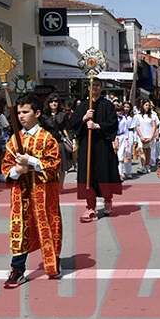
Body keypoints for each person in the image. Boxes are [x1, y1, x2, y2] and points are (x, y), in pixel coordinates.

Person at [1, 93, 64, 288]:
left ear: (36, 113)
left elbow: (54, 165)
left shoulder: (47, 139)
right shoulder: (14, 139)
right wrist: (16, 171)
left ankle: (53, 261)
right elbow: (5, 167)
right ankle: (17, 268)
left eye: (25, 112)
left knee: (49, 224)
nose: (21, 116)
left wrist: (32, 162)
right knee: (19, 227)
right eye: (19, 112)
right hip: (21, 193)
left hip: (44, 193)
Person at [69, 77, 122, 222]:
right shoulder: (83, 105)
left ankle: (107, 201)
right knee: (88, 176)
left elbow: (113, 124)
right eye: (93, 85)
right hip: (87, 145)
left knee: (104, 174)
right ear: (88, 88)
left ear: (102, 88)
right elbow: (73, 124)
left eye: (98, 85)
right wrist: (84, 118)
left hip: (102, 146)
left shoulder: (108, 105)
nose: (95, 88)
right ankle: (90, 206)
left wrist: (98, 126)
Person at [41, 93, 72, 185]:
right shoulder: (44, 116)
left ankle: (61, 185)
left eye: (56, 101)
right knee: (49, 165)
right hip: (48, 143)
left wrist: (72, 140)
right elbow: (42, 129)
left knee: (62, 166)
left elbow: (69, 128)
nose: (54, 103)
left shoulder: (63, 115)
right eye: (51, 101)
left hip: (60, 142)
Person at [136, 100, 159, 174]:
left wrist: (151, 137)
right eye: (146, 105)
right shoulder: (138, 116)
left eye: (148, 105)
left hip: (149, 135)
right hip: (141, 136)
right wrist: (141, 136)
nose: (147, 107)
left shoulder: (153, 116)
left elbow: (154, 126)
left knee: (148, 151)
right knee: (142, 150)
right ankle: (143, 166)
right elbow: (137, 126)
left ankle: (147, 165)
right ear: (143, 106)